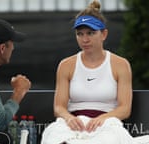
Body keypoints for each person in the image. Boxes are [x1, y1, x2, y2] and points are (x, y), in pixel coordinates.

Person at [41, 0, 134, 143]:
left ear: (104, 34)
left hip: (107, 125)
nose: (85, 39)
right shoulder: (66, 65)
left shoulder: (121, 65)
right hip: (72, 125)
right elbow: (59, 107)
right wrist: (69, 118)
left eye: (91, 33)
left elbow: (124, 109)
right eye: (80, 34)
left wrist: (102, 119)